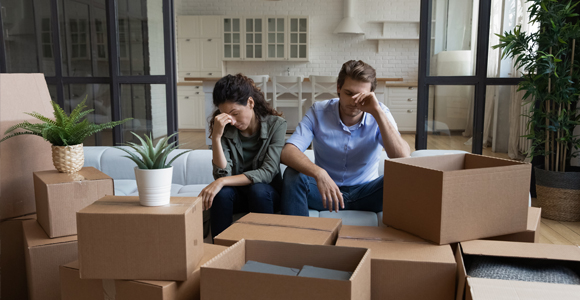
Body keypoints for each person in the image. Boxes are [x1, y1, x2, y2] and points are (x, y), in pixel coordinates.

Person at [280, 60, 411, 216]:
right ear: (338, 89)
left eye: (361, 95)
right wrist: (319, 173)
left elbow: (403, 157)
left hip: (367, 193)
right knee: (292, 175)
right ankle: (298, 238)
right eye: (349, 93)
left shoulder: (380, 112)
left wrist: (377, 112)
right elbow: (288, 152)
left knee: (405, 176)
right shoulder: (318, 111)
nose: (354, 101)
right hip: (324, 193)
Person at [200, 74, 287, 238]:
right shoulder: (225, 128)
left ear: (250, 103)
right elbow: (222, 173)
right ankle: (220, 251)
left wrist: (222, 181)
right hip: (237, 196)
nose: (231, 121)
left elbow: (267, 172)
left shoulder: (276, 125)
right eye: (226, 115)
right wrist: (217, 137)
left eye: (235, 113)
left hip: (266, 195)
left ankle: (263, 250)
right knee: (222, 193)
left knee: (258, 190)